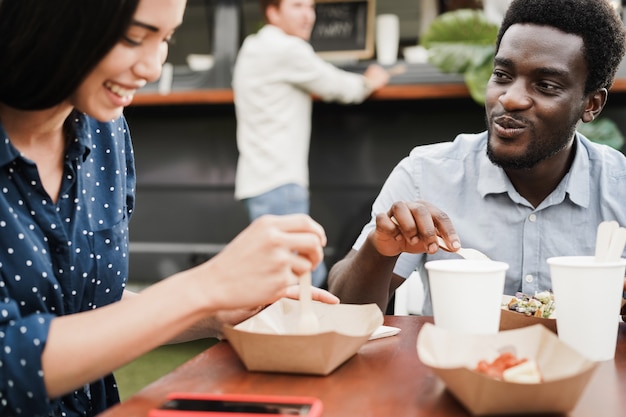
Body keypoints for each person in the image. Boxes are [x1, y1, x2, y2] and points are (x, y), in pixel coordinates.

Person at [0, 0, 340, 415]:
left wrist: (214, 313)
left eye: (166, 38)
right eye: (134, 37)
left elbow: (85, 307)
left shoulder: (105, 132)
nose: (153, 68)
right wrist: (203, 287)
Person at [327, 0, 626, 317]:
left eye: (545, 85)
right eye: (502, 74)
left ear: (591, 104)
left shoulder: (618, 188)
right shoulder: (425, 175)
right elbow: (342, 311)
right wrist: (379, 250)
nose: (509, 98)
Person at [232, 0, 392, 288]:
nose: (308, 16)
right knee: (303, 273)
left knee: (283, 271)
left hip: (258, 179)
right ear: (272, 12)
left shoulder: (253, 47)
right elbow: (340, 87)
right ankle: (321, 330)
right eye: (297, 6)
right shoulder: (287, 49)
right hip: (280, 181)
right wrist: (370, 81)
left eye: (310, 7)